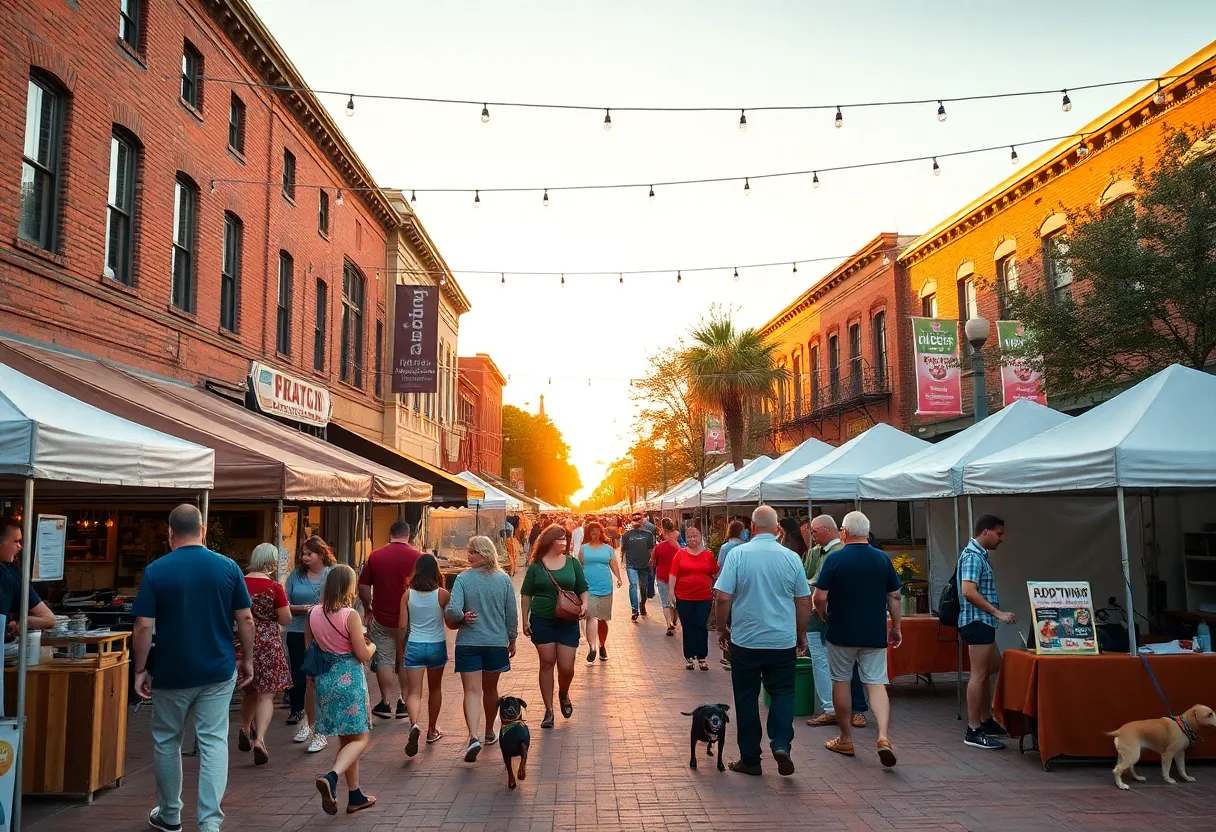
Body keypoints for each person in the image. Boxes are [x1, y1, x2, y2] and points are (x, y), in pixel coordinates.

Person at [131, 504, 254, 832]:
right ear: (202, 530)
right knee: (214, 741)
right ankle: (209, 823)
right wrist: (248, 658)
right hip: (217, 668)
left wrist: (140, 668)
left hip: (172, 671)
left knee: (167, 740)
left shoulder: (157, 570)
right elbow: (245, 617)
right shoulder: (227, 567)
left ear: (170, 533)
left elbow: (143, 625)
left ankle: (170, 814)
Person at [714, 506, 811, 777]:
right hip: (782, 639)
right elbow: (804, 601)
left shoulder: (738, 555)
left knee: (746, 697)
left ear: (752, 528)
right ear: (778, 528)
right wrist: (800, 633)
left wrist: (722, 628)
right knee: (782, 693)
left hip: (746, 639)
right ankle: (781, 743)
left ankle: (750, 758)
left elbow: (723, 597)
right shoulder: (792, 558)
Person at [812, 511, 902, 768]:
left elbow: (819, 596)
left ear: (845, 532)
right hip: (874, 631)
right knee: (876, 683)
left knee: (841, 681)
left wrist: (824, 614)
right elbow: (894, 596)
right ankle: (883, 736)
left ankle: (846, 738)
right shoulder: (882, 559)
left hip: (841, 631)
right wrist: (896, 627)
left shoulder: (835, 558)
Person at [309, 565, 377, 815]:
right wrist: (373, 648)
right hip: (349, 680)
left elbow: (311, 650)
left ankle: (355, 795)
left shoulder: (313, 613)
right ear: (349, 586)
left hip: (324, 680)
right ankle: (332, 776)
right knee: (360, 738)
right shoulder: (351, 615)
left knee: (346, 739)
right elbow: (361, 654)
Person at [446, 535, 518, 762]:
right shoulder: (503, 579)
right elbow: (511, 613)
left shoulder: (463, 579)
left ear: (484, 553)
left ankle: (473, 735)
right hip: (495, 642)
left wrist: (461, 617)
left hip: (469, 642)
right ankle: (488, 731)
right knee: (490, 689)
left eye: (472, 552)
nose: (468, 556)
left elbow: (452, 611)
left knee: (472, 691)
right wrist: (511, 637)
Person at [520, 524, 589, 728]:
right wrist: (524, 619)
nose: (564, 543)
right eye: (559, 539)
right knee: (547, 662)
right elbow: (525, 595)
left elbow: (583, 588)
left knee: (567, 667)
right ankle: (549, 711)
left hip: (568, 619)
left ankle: (564, 693)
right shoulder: (536, 566)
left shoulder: (572, 563)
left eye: (565, 539)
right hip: (542, 618)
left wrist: (585, 604)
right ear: (549, 541)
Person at [804, 516, 869, 730]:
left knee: (847, 663)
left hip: (836, 615)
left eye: (814, 531)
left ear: (827, 529)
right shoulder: (814, 552)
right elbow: (808, 578)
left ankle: (855, 709)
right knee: (821, 662)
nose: (812, 535)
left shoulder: (841, 551)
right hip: (817, 617)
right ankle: (830, 708)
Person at [958, 514, 1016, 750]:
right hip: (977, 621)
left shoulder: (979, 555)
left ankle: (985, 719)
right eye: (999, 533)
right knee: (979, 674)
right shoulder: (973, 556)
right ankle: (973, 729)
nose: (1001, 538)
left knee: (993, 667)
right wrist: (997, 612)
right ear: (986, 532)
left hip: (982, 622)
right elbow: (968, 591)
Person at [357, 520, 421, 720]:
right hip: (410, 618)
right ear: (408, 535)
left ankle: (385, 702)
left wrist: (368, 606)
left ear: (390, 534)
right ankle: (403, 701)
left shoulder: (376, 556)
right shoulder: (418, 557)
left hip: (382, 617)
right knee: (404, 658)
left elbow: (363, 586)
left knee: (384, 659)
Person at [236, 544, 292, 766]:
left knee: (249, 690)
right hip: (268, 641)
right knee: (266, 693)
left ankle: (244, 726)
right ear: (271, 561)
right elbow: (285, 618)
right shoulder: (274, 587)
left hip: (242, 639)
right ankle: (259, 739)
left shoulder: (238, 583)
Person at [396, 554, 450, 756]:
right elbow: (451, 620)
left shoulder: (408, 595)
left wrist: (401, 650)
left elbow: (402, 627)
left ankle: (414, 724)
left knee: (414, 692)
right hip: (436, 644)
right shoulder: (442, 594)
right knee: (435, 689)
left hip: (415, 645)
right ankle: (432, 730)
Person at [285, 536, 335, 752]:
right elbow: (285, 601)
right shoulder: (296, 574)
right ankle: (303, 715)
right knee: (300, 673)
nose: (305, 558)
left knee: (321, 675)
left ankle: (319, 722)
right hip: (297, 628)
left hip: (322, 630)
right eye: (303, 554)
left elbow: (340, 600)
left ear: (321, 554)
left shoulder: (332, 573)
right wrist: (298, 609)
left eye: (309, 554)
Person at [668, 526, 719, 671]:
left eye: (695, 535)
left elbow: (714, 572)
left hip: (703, 596)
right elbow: (673, 574)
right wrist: (671, 592)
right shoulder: (680, 554)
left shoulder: (708, 555)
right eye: (689, 536)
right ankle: (689, 656)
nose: (692, 539)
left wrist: (716, 588)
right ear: (685, 538)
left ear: (700, 536)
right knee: (688, 626)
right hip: (684, 596)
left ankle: (702, 656)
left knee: (701, 625)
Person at [0, 516, 57, 634]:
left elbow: (48, 619)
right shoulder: (8, 575)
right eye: (16, 541)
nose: (20, 546)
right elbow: (49, 618)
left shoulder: (11, 574)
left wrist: (17, 623)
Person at [578, 521, 622, 662]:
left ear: (601, 532)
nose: (595, 533)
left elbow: (613, 564)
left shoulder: (608, 549)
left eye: (597, 531)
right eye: (592, 531)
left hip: (605, 587)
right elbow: (579, 566)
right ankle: (592, 647)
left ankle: (602, 645)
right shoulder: (583, 548)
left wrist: (619, 578)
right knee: (590, 615)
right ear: (588, 534)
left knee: (603, 620)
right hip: (588, 588)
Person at [620, 513, 656, 622]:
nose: (636, 521)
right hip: (631, 565)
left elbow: (651, 549)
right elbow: (623, 549)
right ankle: (634, 610)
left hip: (645, 565)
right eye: (634, 519)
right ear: (631, 521)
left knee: (643, 587)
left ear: (642, 520)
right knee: (633, 585)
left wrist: (652, 560)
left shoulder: (648, 534)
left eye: (638, 519)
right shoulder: (627, 535)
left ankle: (642, 604)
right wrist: (622, 560)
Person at [651, 519, 681, 636]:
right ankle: (674, 620)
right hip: (676, 577)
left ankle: (669, 624)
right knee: (676, 600)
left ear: (663, 532)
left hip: (662, 577)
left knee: (665, 603)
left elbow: (653, 562)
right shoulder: (679, 547)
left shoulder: (658, 548)